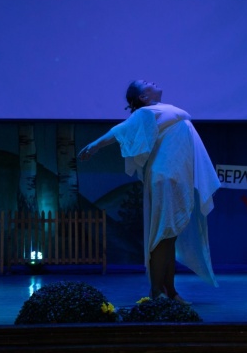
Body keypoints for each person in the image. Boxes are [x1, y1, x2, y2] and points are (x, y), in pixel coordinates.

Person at [78, 80, 220, 302]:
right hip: (166, 176)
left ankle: (170, 291)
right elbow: (120, 130)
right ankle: (156, 291)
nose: (151, 82)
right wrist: (96, 145)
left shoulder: (161, 111)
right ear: (143, 97)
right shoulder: (145, 112)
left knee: (169, 237)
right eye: (146, 84)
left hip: (176, 176)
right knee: (163, 235)